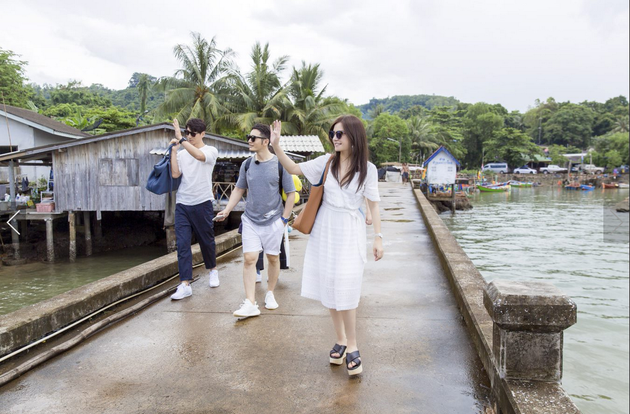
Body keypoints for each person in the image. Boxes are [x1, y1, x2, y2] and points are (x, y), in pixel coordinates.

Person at [270, 115, 384, 376]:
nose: (335, 138)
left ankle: (353, 345)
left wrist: (379, 236)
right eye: (333, 133)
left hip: (349, 230)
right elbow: (294, 169)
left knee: (347, 285)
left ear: (354, 137)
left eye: (340, 134)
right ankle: (341, 339)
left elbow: (374, 203)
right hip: (325, 228)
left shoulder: (368, 169)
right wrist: (276, 146)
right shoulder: (326, 162)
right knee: (331, 285)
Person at [216, 123, 296, 318]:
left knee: (273, 258)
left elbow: (291, 193)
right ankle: (250, 302)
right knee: (249, 259)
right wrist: (227, 210)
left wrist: (284, 219)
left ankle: (270, 293)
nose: (249, 141)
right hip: (251, 219)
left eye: (253, 138)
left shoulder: (279, 164)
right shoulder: (247, 164)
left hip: (274, 221)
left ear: (266, 142)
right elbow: (239, 189)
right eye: (248, 137)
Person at [168, 118, 220, 301]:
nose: (189, 137)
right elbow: (175, 174)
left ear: (202, 134)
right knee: (182, 244)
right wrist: (174, 152)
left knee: (206, 240)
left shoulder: (210, 151)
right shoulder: (182, 153)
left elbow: (198, 156)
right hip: (183, 203)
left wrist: (180, 139)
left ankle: (213, 269)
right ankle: (185, 284)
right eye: (187, 132)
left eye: (192, 134)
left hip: (203, 201)